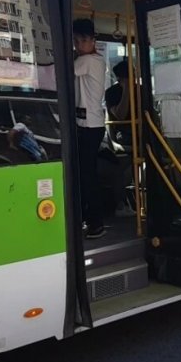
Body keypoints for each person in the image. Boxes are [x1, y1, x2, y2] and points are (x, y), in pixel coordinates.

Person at [73, 18, 107, 239]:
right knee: (86, 174)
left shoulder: (88, 61)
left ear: (93, 40)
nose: (79, 45)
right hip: (90, 125)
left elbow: (59, 74)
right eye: (76, 41)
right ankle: (89, 218)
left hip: (89, 126)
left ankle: (95, 222)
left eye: (83, 40)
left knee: (87, 176)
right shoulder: (94, 59)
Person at [103, 60, 136, 217]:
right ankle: (121, 204)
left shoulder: (142, 90)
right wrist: (126, 91)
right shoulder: (112, 93)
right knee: (120, 168)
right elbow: (120, 114)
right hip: (124, 135)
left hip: (142, 134)